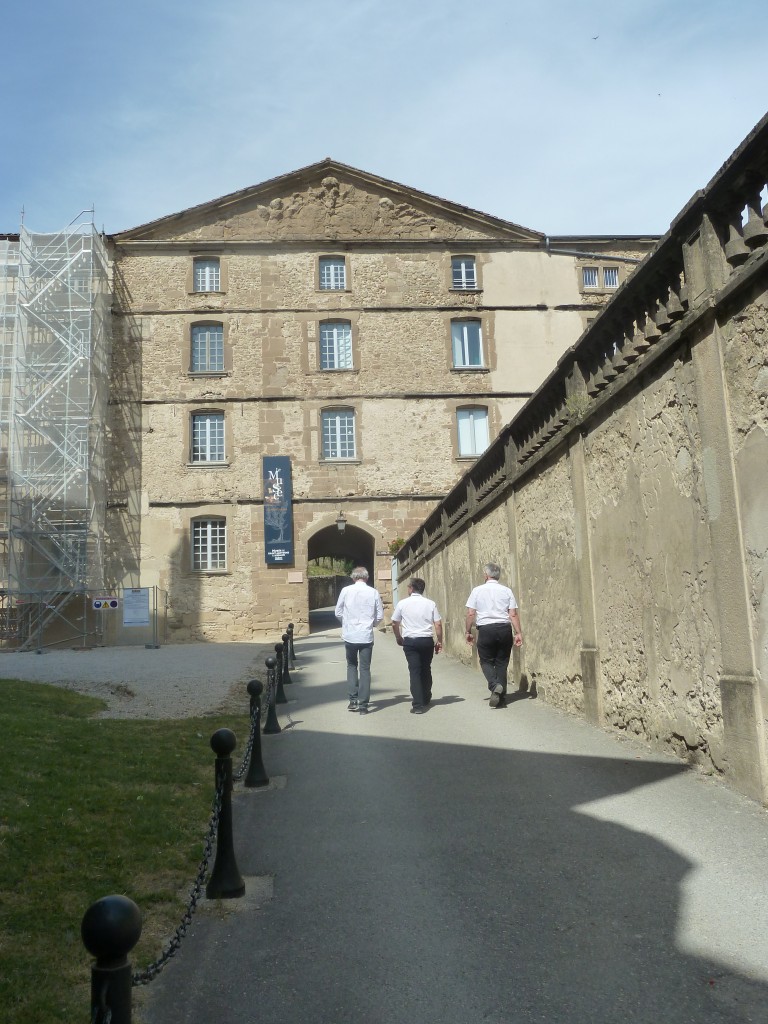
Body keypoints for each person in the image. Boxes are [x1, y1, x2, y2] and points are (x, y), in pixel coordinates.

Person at [465, 562, 523, 708]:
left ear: (486, 575)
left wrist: (467, 631)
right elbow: (513, 614)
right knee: (502, 663)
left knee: (486, 661)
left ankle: (494, 685)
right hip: (504, 629)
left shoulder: (477, 591)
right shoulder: (507, 591)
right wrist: (518, 633)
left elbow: (471, 613)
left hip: (485, 629)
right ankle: (501, 699)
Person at [334, 566, 384, 714]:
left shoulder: (346, 591)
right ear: (367, 578)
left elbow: (338, 611)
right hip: (366, 636)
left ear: (353, 578)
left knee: (351, 666)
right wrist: (372, 624)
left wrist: (346, 623)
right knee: (365, 668)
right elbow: (380, 615)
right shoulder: (373, 592)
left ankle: (353, 700)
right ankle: (363, 705)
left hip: (350, 635)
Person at [390, 578, 443, 714]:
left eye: (408, 587)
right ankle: (426, 696)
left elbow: (394, 623)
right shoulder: (430, 603)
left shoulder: (402, 604)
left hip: (411, 641)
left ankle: (418, 705)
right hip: (426, 640)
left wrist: (398, 637)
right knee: (426, 669)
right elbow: (438, 624)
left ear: (411, 588)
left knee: (414, 671)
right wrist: (439, 641)